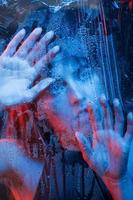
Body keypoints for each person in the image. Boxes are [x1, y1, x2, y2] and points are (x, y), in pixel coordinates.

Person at [0, 28, 132, 200]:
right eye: (57, 87)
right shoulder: (17, 160)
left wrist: (119, 183)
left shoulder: (127, 149)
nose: (77, 96)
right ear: (39, 109)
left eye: (83, 74)